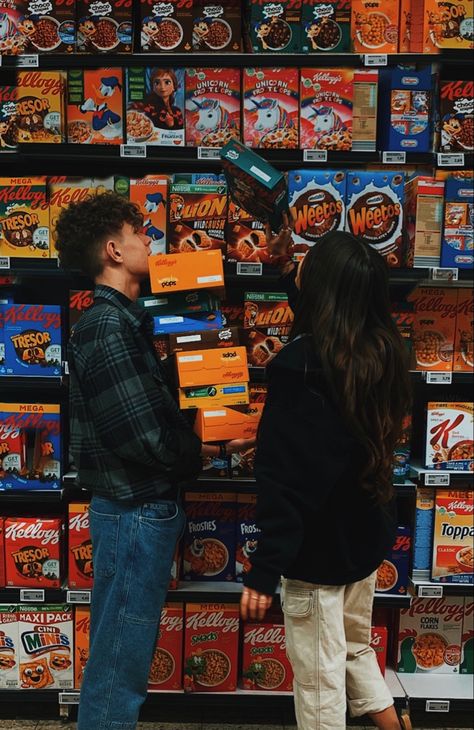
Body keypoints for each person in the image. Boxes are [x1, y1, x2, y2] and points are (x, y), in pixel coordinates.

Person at [55, 192, 249, 730]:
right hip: (133, 511)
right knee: (121, 654)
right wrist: (204, 452)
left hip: (137, 512)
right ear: (114, 251)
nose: (151, 242)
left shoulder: (123, 322)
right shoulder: (106, 326)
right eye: (140, 234)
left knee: (124, 647)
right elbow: (141, 438)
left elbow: (145, 415)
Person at [240, 220, 413, 730]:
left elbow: (285, 479)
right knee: (354, 646)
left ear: (321, 292)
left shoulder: (299, 367)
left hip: (315, 552)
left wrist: (265, 569)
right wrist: (283, 270)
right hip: (363, 537)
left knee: (318, 685)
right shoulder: (382, 353)